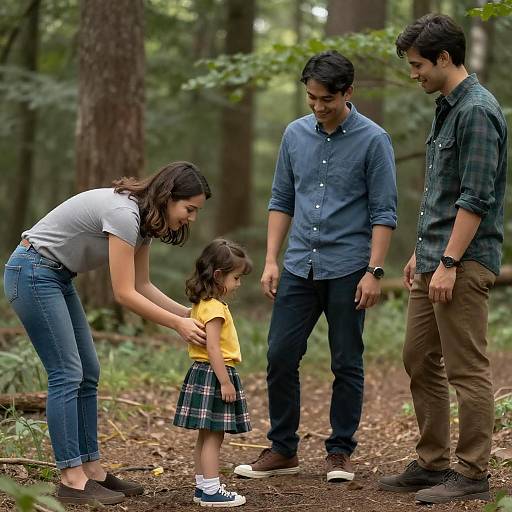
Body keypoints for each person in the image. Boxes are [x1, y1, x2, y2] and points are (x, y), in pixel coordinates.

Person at [3, 161, 211, 506]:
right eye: (189, 209)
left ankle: (93, 470)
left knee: (89, 373)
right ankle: (71, 479)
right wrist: (177, 325)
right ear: (168, 196)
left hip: (55, 276)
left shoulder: (143, 223)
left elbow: (143, 284)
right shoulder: (123, 213)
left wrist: (187, 313)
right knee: (66, 373)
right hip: (32, 271)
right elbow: (124, 293)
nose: (192, 218)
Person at [234, 50, 397, 483]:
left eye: (326, 99)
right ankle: (284, 449)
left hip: (349, 268)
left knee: (346, 360)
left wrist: (374, 271)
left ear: (348, 92)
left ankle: (340, 451)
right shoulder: (294, 135)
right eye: (311, 98)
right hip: (298, 265)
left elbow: (384, 212)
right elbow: (281, 200)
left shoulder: (374, 140)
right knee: (280, 354)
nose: (318, 107)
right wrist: (270, 259)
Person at [378, 14, 508, 505]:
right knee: (418, 358)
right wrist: (422, 252)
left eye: (418, 65)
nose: (414, 74)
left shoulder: (477, 110)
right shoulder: (447, 106)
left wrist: (451, 262)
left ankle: (472, 471)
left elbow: (476, 197)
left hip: (464, 262)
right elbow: (442, 194)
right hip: (434, 258)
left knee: (467, 369)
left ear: (445, 58)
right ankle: (431, 461)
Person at [173, 239, 252, 507]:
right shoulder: (215, 309)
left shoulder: (202, 303)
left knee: (205, 434)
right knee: (214, 435)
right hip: (214, 373)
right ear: (218, 276)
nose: (238, 283)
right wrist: (225, 382)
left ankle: (203, 485)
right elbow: (213, 348)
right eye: (236, 277)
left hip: (201, 372)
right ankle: (211, 490)